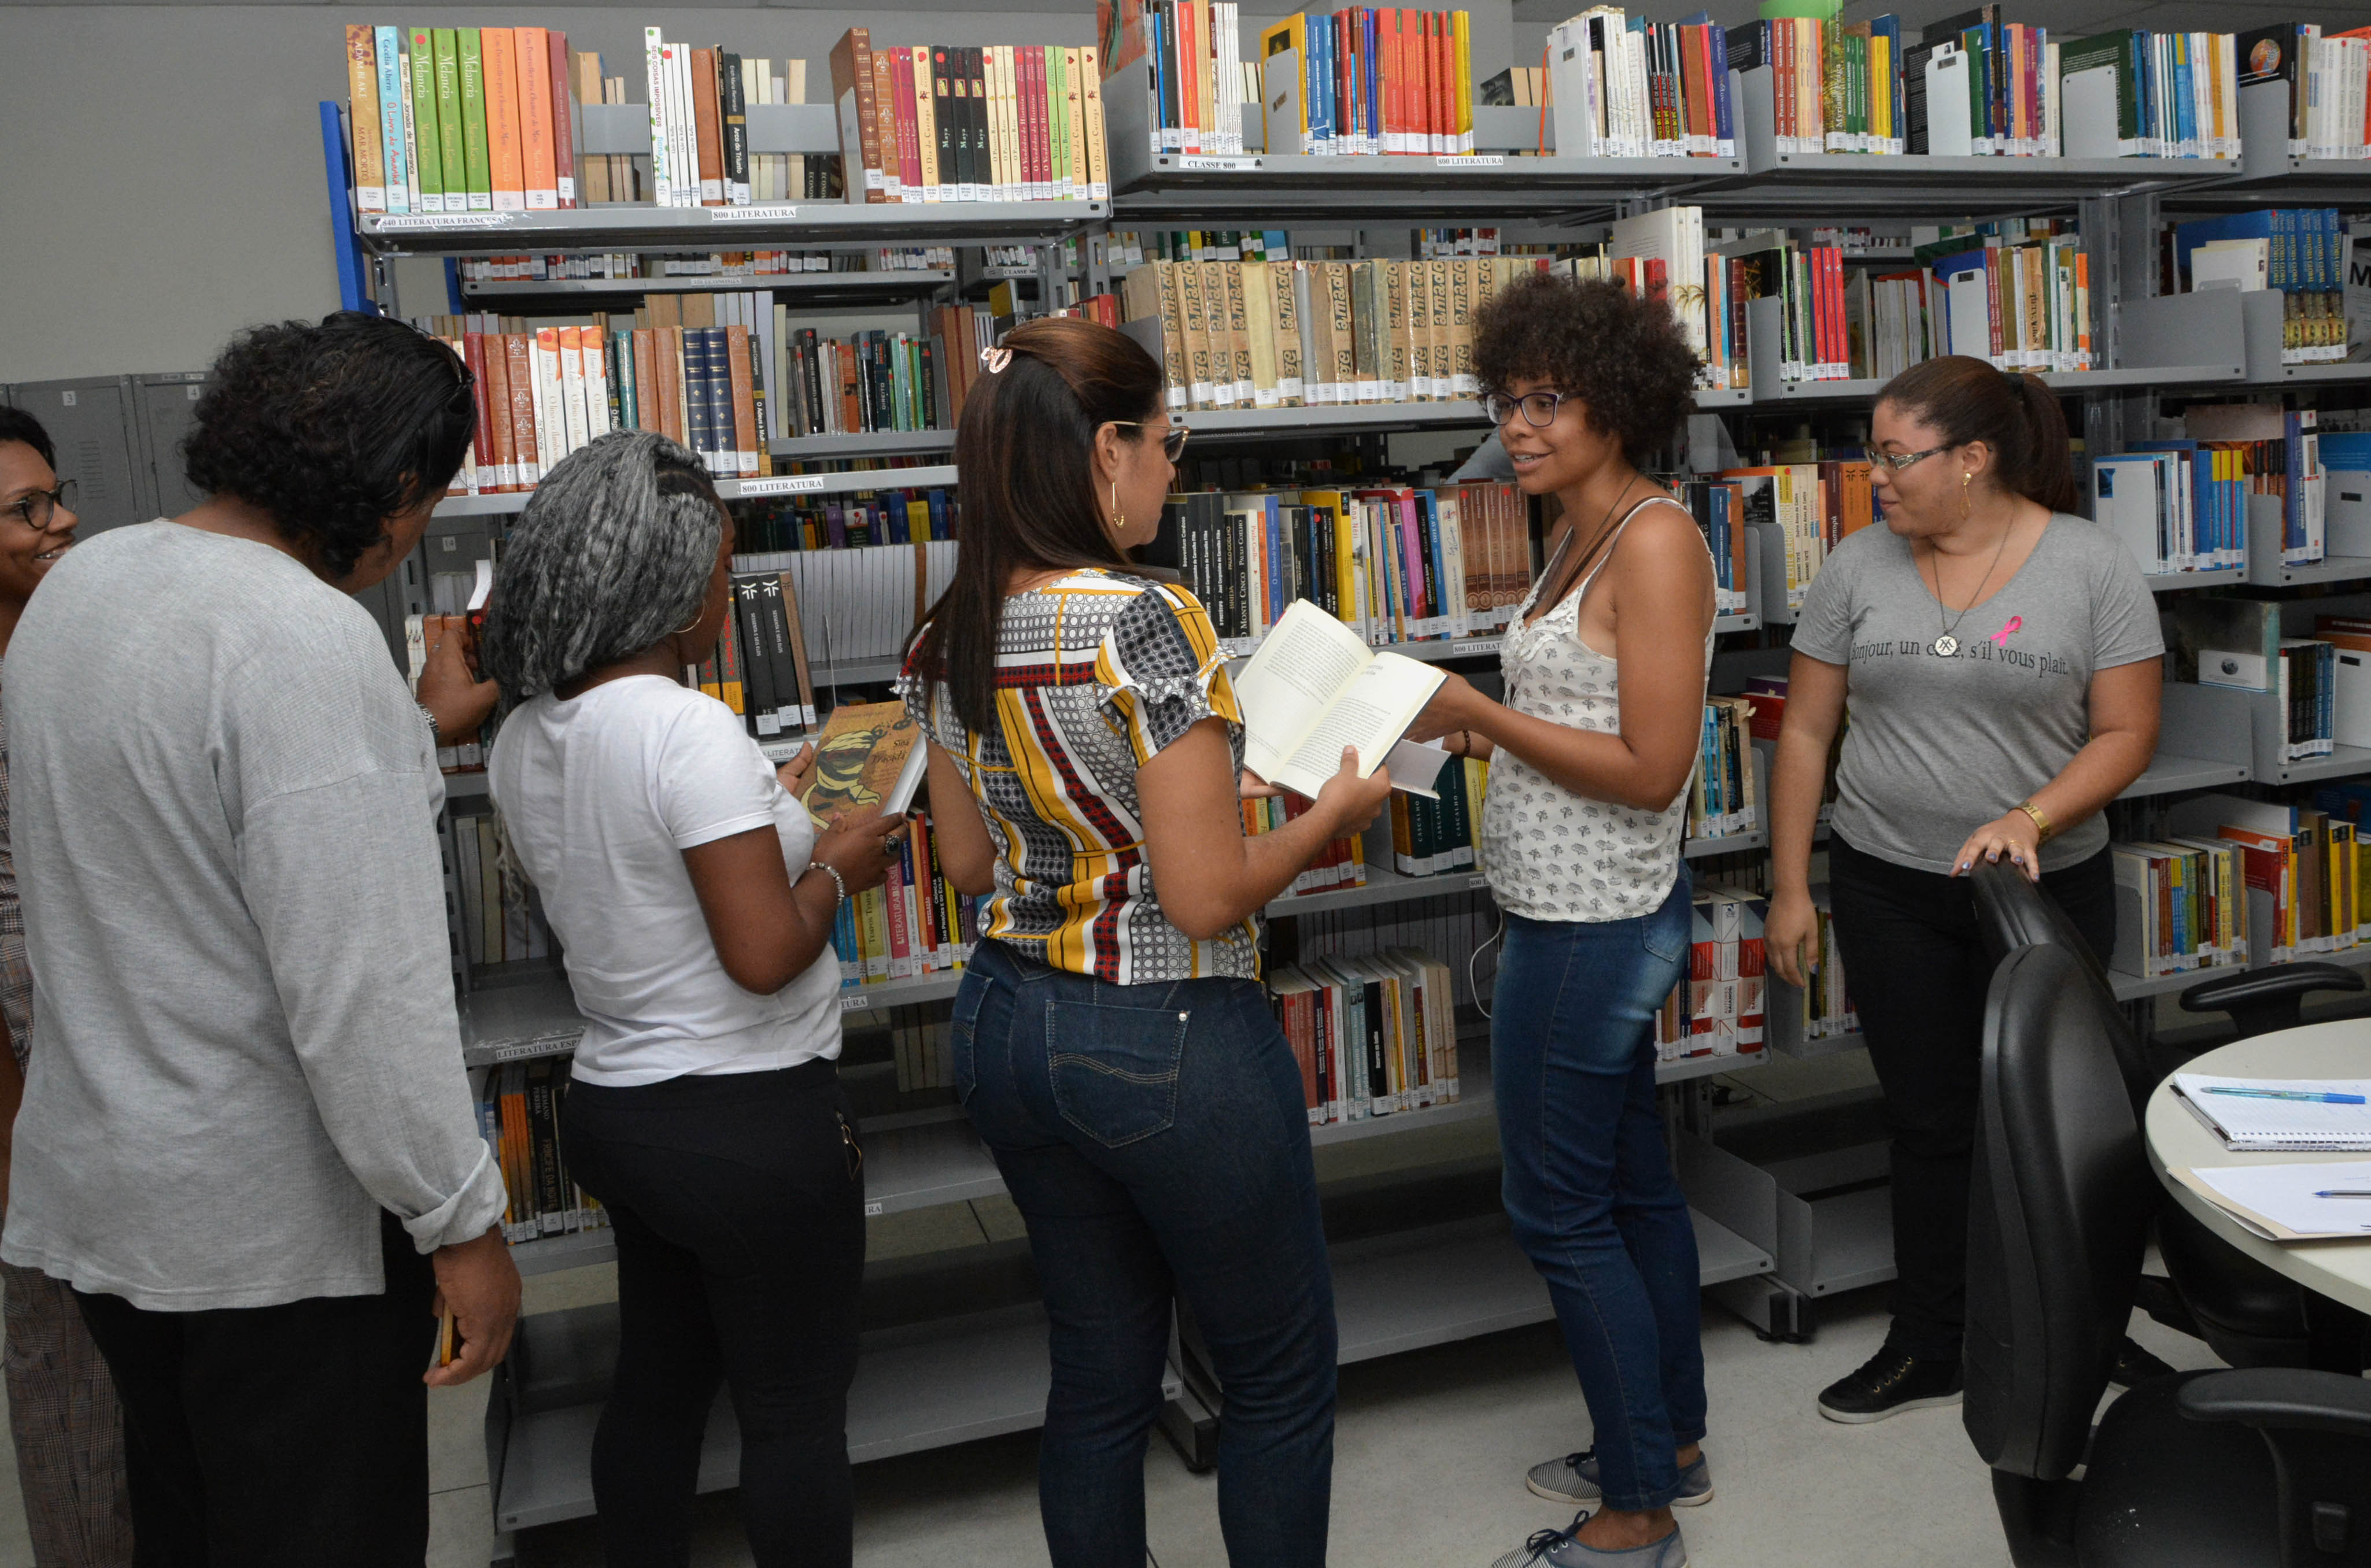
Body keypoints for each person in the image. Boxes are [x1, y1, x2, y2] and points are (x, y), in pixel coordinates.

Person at [0, 313, 520, 1566]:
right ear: (396, 487)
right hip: (275, 1244)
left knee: (186, 1525)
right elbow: (362, 1002)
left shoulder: (84, 585)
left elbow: (175, 844)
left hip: (112, 1203)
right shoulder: (307, 639)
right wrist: (462, 1223)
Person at [900, 317, 1390, 1568]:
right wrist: (1327, 817)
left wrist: (1148, 818)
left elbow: (967, 865)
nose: (1174, 470)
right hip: (1163, 1034)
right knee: (1276, 1375)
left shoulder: (948, 629)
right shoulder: (1147, 618)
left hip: (1005, 1023)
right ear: (1105, 447)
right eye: (1169, 443)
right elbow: (1206, 898)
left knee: (1098, 1370)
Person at [479, 430, 906, 1568]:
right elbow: (762, 954)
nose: (728, 592)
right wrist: (835, 872)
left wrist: (778, 809)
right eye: (720, 571)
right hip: (748, 1121)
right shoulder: (687, 728)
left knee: (660, 1384)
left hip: (624, 1109)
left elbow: (639, 885)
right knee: (794, 1413)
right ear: (666, 587)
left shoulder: (523, 733)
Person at [1766, 356, 2162, 1423]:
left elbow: (2127, 734)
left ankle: (2072, 1332)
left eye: (1896, 457)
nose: (1876, 477)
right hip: (1888, 885)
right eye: (1873, 454)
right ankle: (1929, 1342)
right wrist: (1791, 886)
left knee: (2055, 1124)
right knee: (1929, 1123)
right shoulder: (1856, 565)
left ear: (1973, 459)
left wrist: (2030, 817)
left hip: (2038, 896)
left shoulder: (2091, 568)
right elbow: (1805, 733)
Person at [1407, 273, 1715, 1568]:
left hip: (1596, 923)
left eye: (1547, 402)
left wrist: (1477, 713)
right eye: (1506, 399)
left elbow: (1652, 767)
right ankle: (1669, 1442)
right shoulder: (1578, 532)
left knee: (1556, 1211)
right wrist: (1460, 729)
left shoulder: (1653, 540)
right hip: (1566, 907)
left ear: (1618, 402)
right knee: (1631, 1189)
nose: (1517, 427)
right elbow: (1580, 716)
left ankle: (1635, 1513)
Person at [0, 409, 135, 1567]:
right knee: (75, 1413)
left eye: (57, 494)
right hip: (36, 1123)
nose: (63, 521)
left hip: (123, 1093)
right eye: (26, 509)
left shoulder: (71, 654)